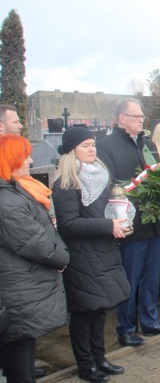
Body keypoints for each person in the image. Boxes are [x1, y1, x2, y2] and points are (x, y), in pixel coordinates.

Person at [97, 98, 160, 347]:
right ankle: (126, 328)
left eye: (142, 116)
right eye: (137, 117)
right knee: (130, 279)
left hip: (154, 223)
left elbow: (159, 174)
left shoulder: (147, 145)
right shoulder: (106, 147)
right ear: (122, 118)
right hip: (132, 226)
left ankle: (151, 321)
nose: (142, 120)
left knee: (152, 276)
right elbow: (109, 186)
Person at [52, 126, 130, 383]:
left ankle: (101, 358)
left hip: (104, 250)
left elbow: (108, 209)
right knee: (84, 313)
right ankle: (86, 366)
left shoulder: (100, 174)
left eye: (92, 144)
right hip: (82, 256)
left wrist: (122, 215)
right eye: (85, 145)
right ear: (71, 150)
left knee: (100, 310)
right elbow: (69, 225)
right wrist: (109, 226)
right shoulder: (66, 183)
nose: (91, 149)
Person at [0, 135, 69, 383]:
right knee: (19, 357)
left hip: (22, 285)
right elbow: (35, 243)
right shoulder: (6, 200)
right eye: (25, 155)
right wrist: (62, 258)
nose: (30, 160)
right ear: (11, 159)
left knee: (23, 351)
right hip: (18, 289)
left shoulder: (13, 190)